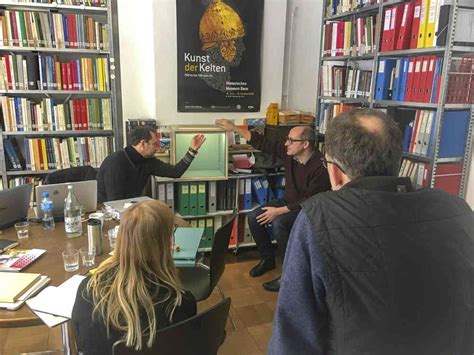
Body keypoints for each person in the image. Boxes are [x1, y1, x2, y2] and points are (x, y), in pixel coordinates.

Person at [270, 108, 474, 354]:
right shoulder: (457, 207)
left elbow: (293, 335)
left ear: (333, 172)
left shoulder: (317, 217)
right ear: (398, 161)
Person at [215, 118, 331, 292]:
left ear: (305, 144)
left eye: (291, 140)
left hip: (307, 208)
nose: (286, 144)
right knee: (254, 217)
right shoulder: (290, 153)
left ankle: (288, 274)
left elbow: (311, 199)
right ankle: (268, 259)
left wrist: (279, 211)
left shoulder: (320, 167)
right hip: (289, 201)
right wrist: (234, 128)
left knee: (280, 223)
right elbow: (263, 143)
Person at [72, 200, 197, 354]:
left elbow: (81, 344)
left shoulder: (88, 290)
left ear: (122, 239)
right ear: (165, 244)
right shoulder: (180, 304)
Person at [96, 126, 206, 203]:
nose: (158, 148)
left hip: (131, 210)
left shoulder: (148, 160)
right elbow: (115, 203)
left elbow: (176, 172)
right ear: (143, 144)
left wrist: (192, 150)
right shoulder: (116, 162)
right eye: (154, 144)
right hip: (108, 215)